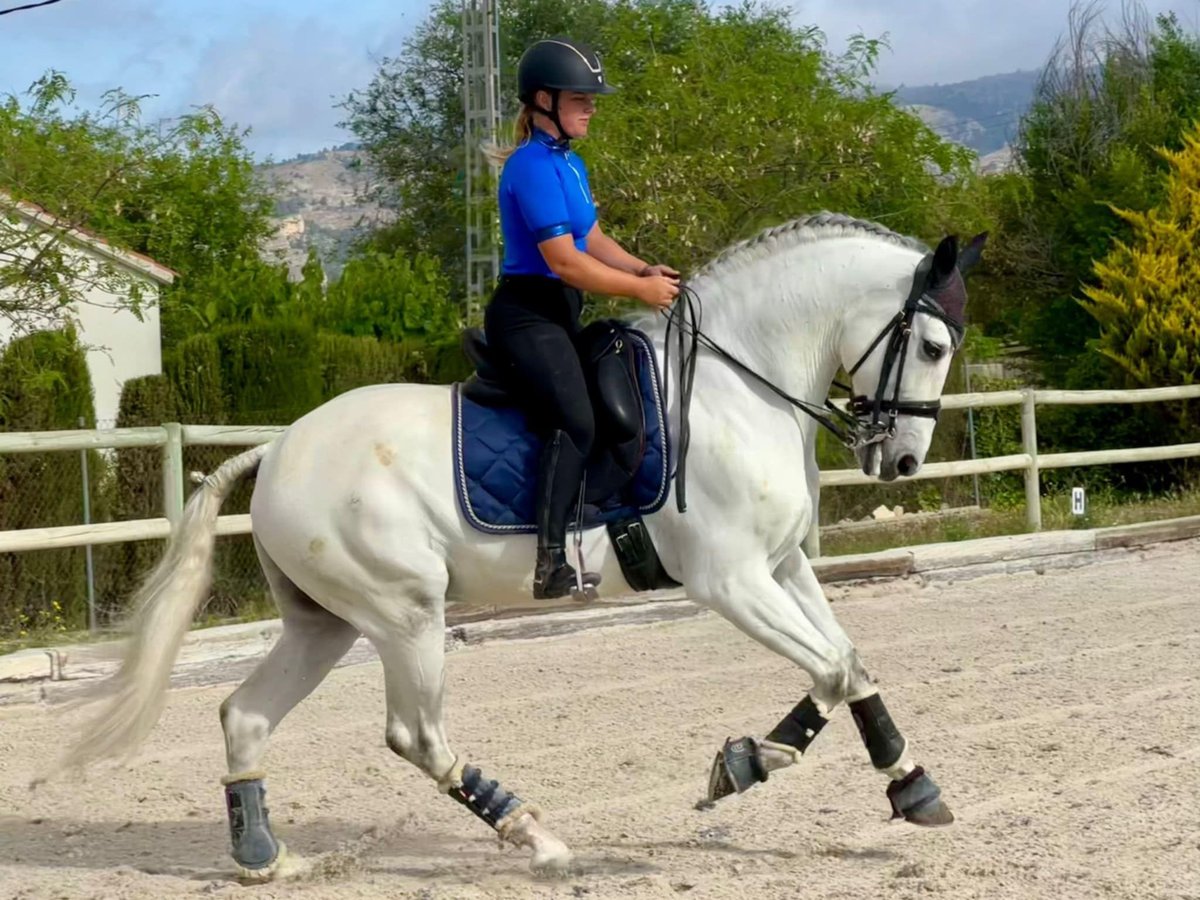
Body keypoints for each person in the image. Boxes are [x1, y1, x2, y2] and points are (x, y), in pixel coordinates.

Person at [484, 36, 680, 600]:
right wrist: (641, 293)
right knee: (576, 419)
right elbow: (566, 262)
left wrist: (646, 269)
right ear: (544, 100)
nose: (592, 107)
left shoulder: (569, 164)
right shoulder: (530, 167)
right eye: (580, 98)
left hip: (559, 312)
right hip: (527, 315)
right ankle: (548, 559)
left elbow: (592, 238)